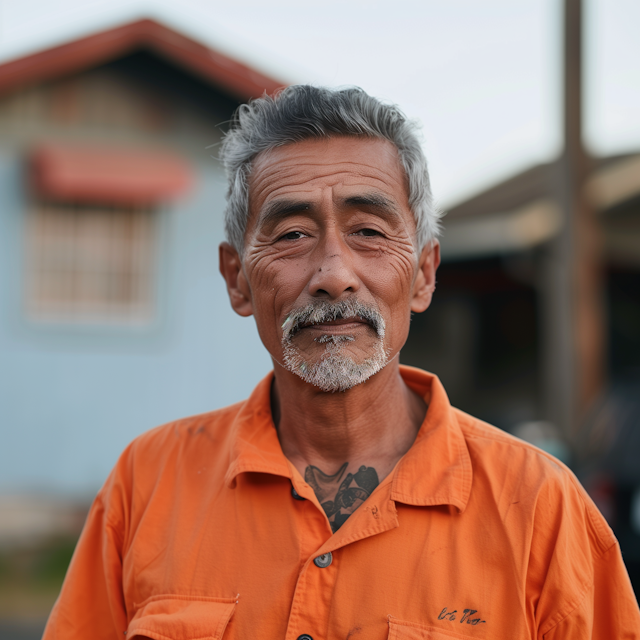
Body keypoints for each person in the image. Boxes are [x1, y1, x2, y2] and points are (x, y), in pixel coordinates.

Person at [43, 85, 640, 640]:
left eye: (369, 231)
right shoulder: (147, 483)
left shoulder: (541, 507)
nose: (333, 275)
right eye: (293, 234)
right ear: (237, 280)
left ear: (424, 275)